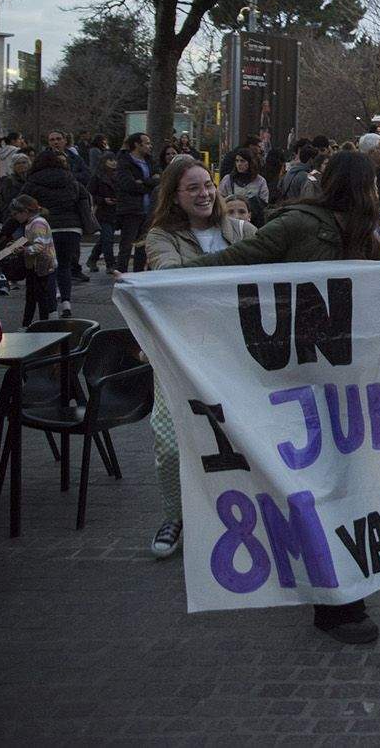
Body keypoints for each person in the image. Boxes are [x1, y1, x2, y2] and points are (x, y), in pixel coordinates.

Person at [179, 151, 380, 644]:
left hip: (343, 381)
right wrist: (162, 283)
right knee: (320, 485)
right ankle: (336, 605)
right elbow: (236, 262)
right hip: (299, 379)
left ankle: (337, 590)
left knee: (340, 484)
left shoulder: (362, 232)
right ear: (361, 186)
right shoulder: (298, 224)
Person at [142, 156, 258, 559]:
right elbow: (173, 279)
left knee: (242, 440)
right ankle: (177, 515)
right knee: (171, 444)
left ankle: (248, 516)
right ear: (175, 196)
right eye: (192, 188)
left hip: (235, 353)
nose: (204, 193)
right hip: (179, 352)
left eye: (207, 185)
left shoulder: (242, 230)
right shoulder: (161, 236)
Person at [19, 150, 92, 318]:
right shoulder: (70, 179)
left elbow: (21, 202)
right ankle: (66, 303)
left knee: (49, 269)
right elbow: (83, 199)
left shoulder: (33, 181)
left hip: (45, 227)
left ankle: (52, 310)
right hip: (71, 228)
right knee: (65, 266)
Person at [4, 196, 57, 325]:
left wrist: (23, 249)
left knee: (39, 298)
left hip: (41, 267)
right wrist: (16, 245)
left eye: (16, 214)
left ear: (25, 211)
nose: (15, 217)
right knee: (33, 297)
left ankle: (42, 325)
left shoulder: (37, 223)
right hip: (35, 266)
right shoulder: (32, 223)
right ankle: (29, 324)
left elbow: (40, 246)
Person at [114, 133, 158, 272]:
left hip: (148, 211)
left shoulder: (150, 161)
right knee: (126, 245)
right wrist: (149, 183)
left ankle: (138, 274)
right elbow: (128, 185)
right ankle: (121, 273)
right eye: (146, 143)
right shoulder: (124, 161)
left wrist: (143, 182)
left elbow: (159, 179)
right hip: (131, 210)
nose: (149, 146)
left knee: (142, 246)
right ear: (137, 145)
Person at [219, 149, 270, 224]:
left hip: (253, 221)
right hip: (231, 219)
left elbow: (264, 203)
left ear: (250, 163)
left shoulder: (260, 181)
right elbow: (220, 199)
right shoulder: (228, 179)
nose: (239, 164)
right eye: (237, 161)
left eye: (242, 161)